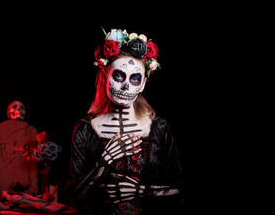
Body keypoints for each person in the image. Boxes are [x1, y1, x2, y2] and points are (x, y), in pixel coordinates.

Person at [64, 28, 185, 215]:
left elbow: (180, 188)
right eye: (119, 76)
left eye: (135, 78)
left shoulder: (159, 128)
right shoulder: (85, 130)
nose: (126, 86)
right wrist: (104, 161)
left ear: (143, 83)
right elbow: (73, 196)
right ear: (105, 76)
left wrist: (141, 190)